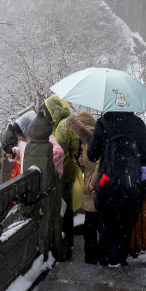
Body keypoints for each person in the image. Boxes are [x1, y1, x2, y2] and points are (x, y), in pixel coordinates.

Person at [87, 110, 146, 267]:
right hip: (131, 186)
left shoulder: (102, 123)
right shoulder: (138, 124)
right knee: (124, 228)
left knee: (106, 226)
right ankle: (118, 261)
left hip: (107, 185)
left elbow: (92, 155)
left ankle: (104, 262)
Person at [42, 95, 83, 257]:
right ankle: (68, 241)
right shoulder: (66, 123)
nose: (45, 116)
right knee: (68, 206)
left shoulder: (62, 127)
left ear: (53, 111)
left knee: (65, 206)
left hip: (65, 169)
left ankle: (66, 243)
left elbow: (58, 152)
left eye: (46, 112)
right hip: (70, 167)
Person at [65, 112, 100, 264]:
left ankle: (92, 263)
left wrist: (92, 183)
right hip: (92, 193)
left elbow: (101, 164)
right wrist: (83, 163)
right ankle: (93, 260)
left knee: (91, 230)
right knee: (91, 230)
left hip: (95, 193)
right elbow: (92, 163)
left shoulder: (93, 140)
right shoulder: (87, 142)